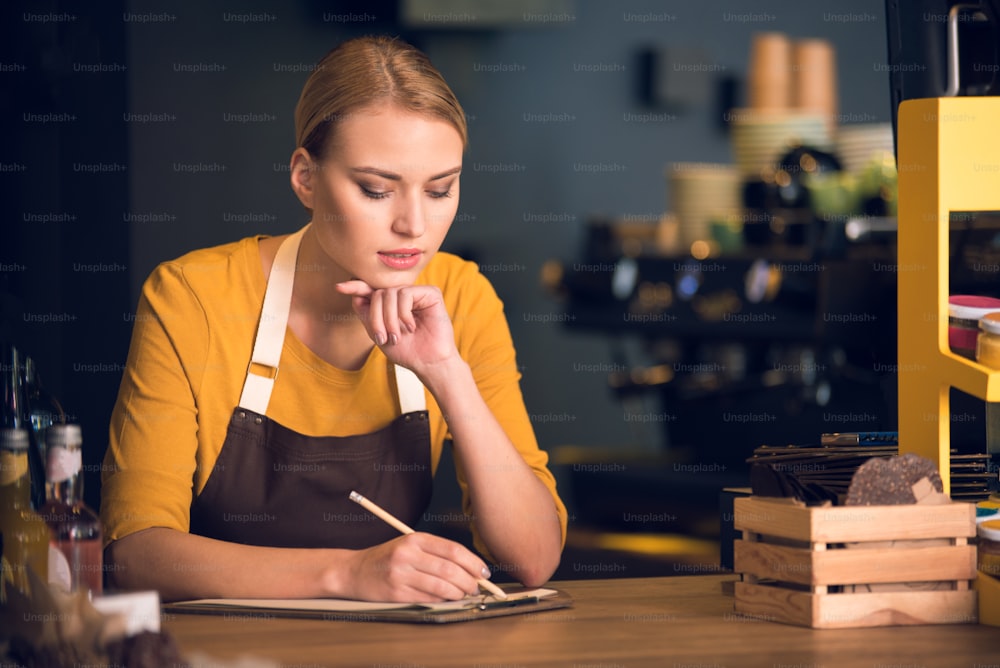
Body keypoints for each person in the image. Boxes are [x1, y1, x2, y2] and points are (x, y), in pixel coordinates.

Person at [100, 35, 567, 603]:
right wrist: (347, 575)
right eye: (376, 190)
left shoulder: (462, 296)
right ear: (305, 178)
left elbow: (535, 557)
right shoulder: (193, 297)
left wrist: (446, 371)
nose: (414, 225)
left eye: (441, 189)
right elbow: (135, 555)